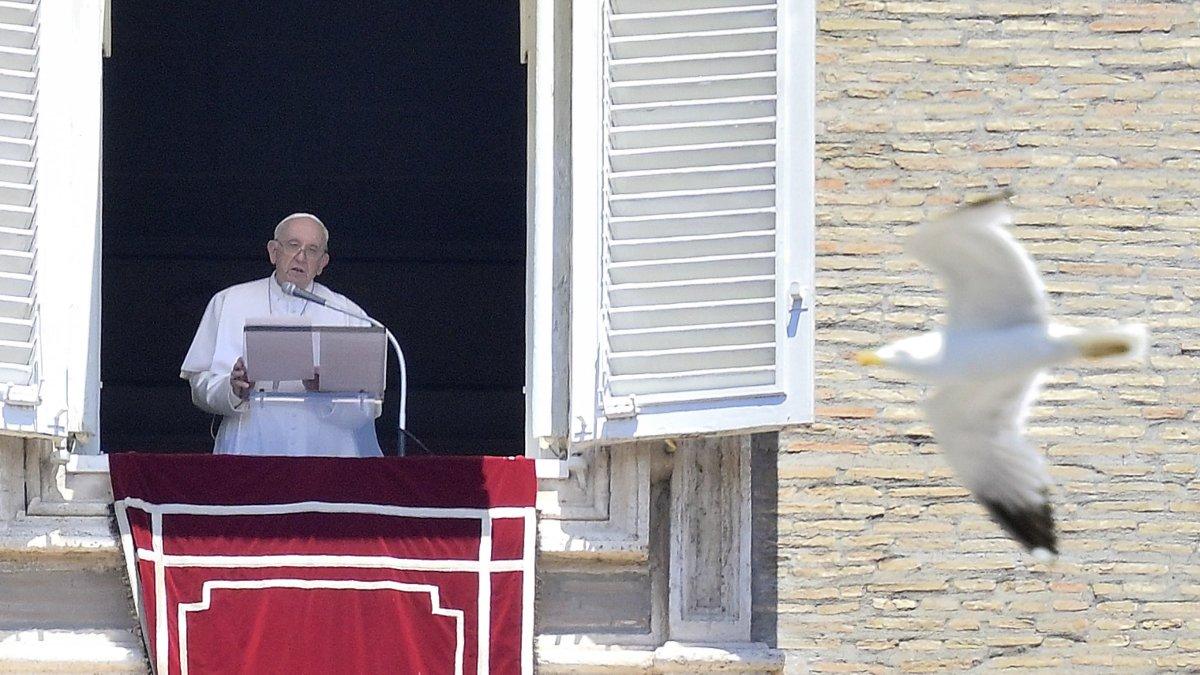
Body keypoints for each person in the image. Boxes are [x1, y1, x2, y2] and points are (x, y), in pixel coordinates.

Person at [180, 213, 383, 457]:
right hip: (250, 449)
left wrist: (328, 391)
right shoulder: (228, 302)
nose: (301, 257)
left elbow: (370, 405)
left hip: (326, 456)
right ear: (273, 252)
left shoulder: (349, 314)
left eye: (312, 250)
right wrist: (233, 389)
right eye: (293, 245)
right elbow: (199, 386)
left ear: (322, 263)